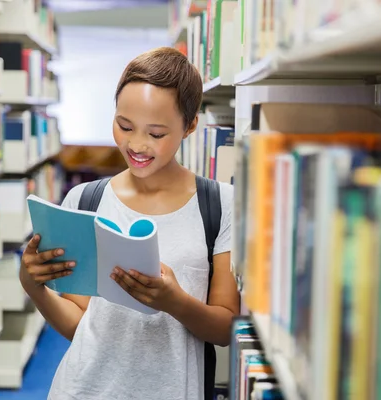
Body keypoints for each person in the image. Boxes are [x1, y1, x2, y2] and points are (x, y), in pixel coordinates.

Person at [18, 47, 240, 400]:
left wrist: (175, 302)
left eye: (156, 134)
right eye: (124, 126)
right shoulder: (84, 201)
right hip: (83, 389)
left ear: (190, 125)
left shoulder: (221, 204)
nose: (136, 144)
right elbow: (80, 324)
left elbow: (226, 328)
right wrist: (33, 287)